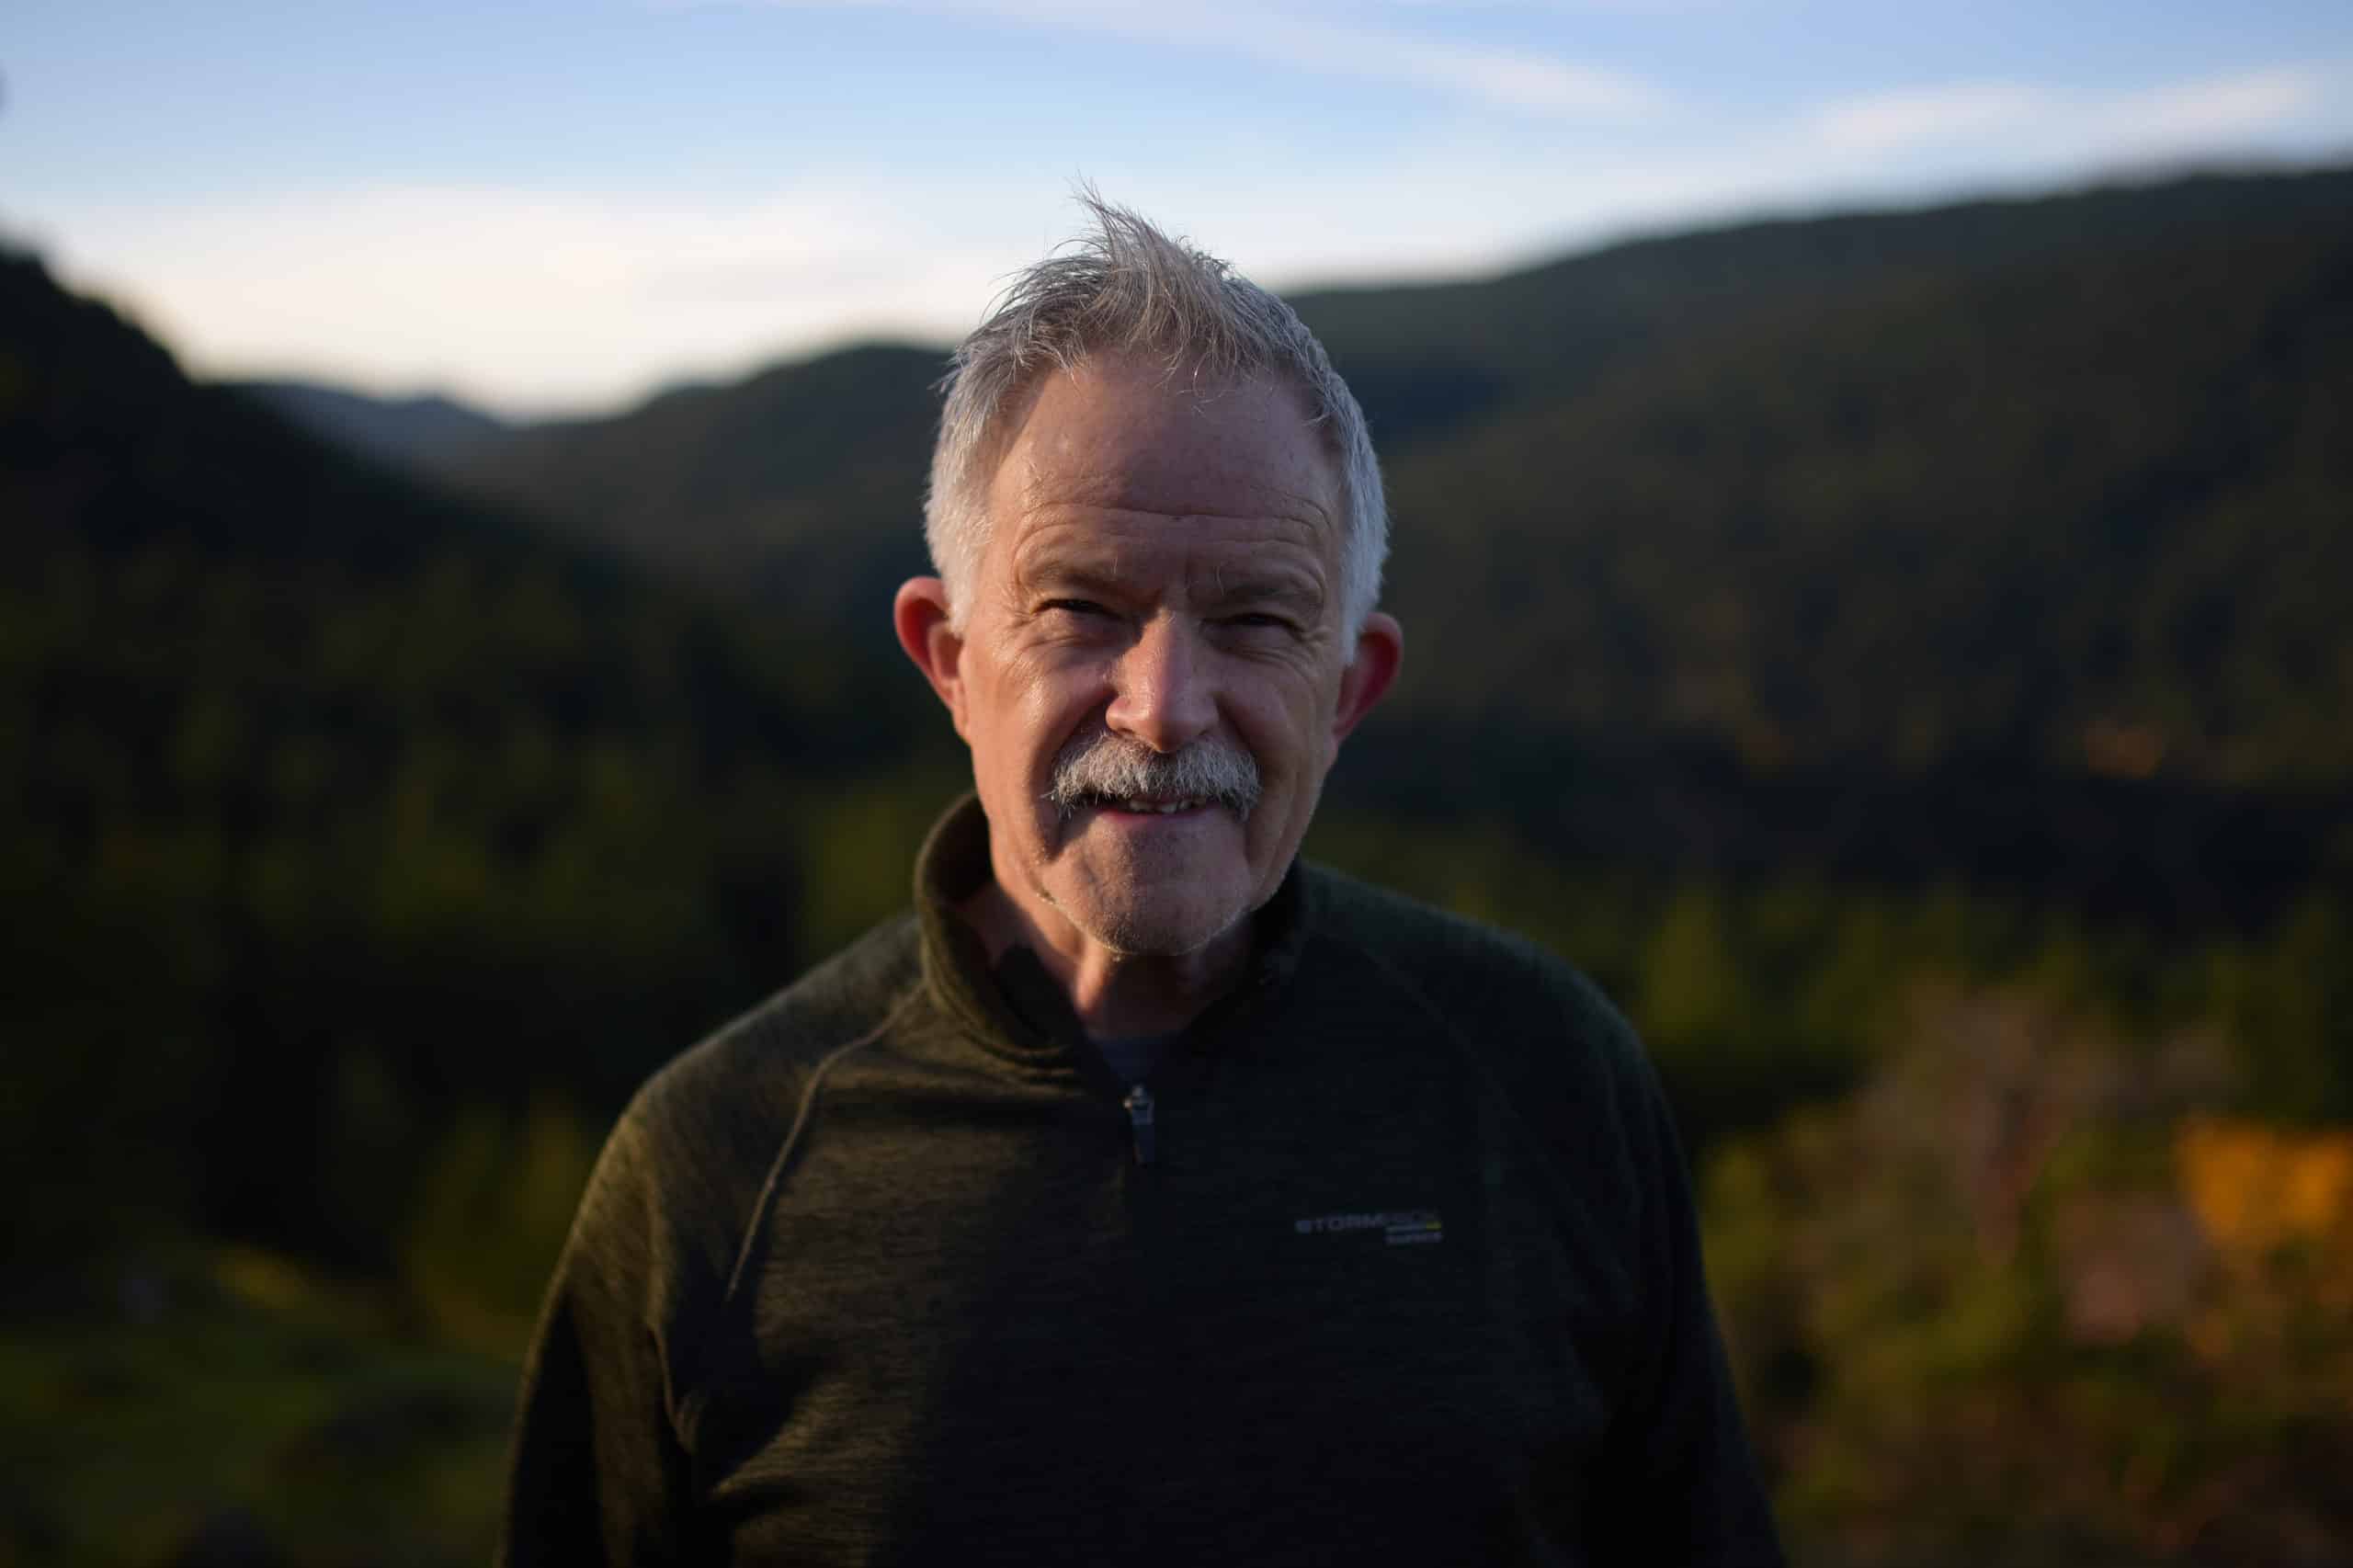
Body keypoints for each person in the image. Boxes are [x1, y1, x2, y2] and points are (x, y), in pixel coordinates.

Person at [498, 197, 1786, 1566]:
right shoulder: (713, 1162)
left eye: (1254, 620)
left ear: (1347, 691)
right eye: (1082, 608)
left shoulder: (1547, 1081)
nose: (1165, 705)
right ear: (947, 658)